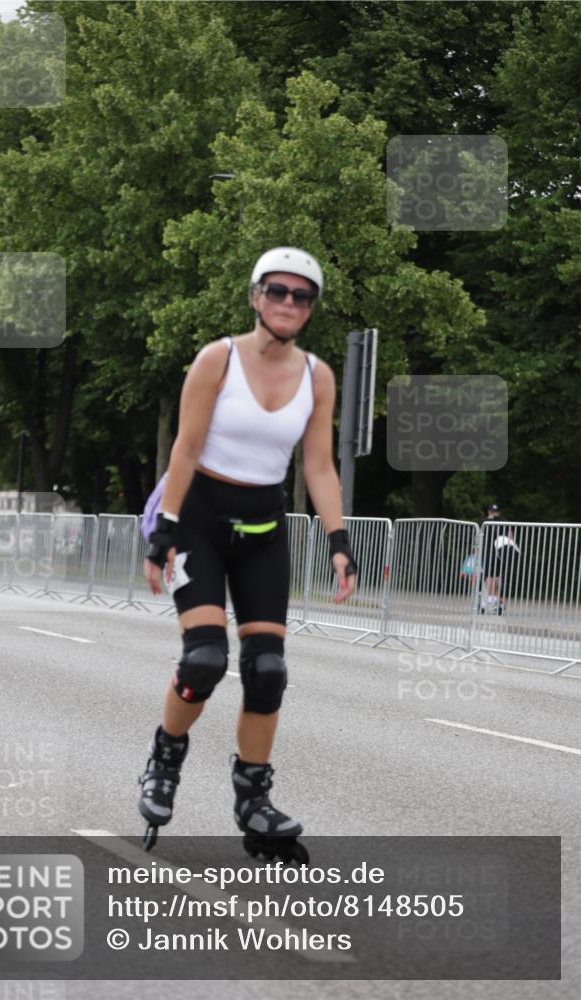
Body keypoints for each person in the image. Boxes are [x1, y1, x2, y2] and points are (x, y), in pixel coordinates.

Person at [139, 246, 358, 860]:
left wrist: (339, 542)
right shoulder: (218, 359)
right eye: (278, 291)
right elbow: (183, 450)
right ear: (257, 296)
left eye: (302, 296)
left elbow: (317, 465)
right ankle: (164, 761)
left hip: (264, 527)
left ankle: (252, 798)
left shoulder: (317, 375)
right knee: (205, 659)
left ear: (310, 309)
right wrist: (166, 531)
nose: (290, 303)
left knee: (267, 672)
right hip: (199, 524)